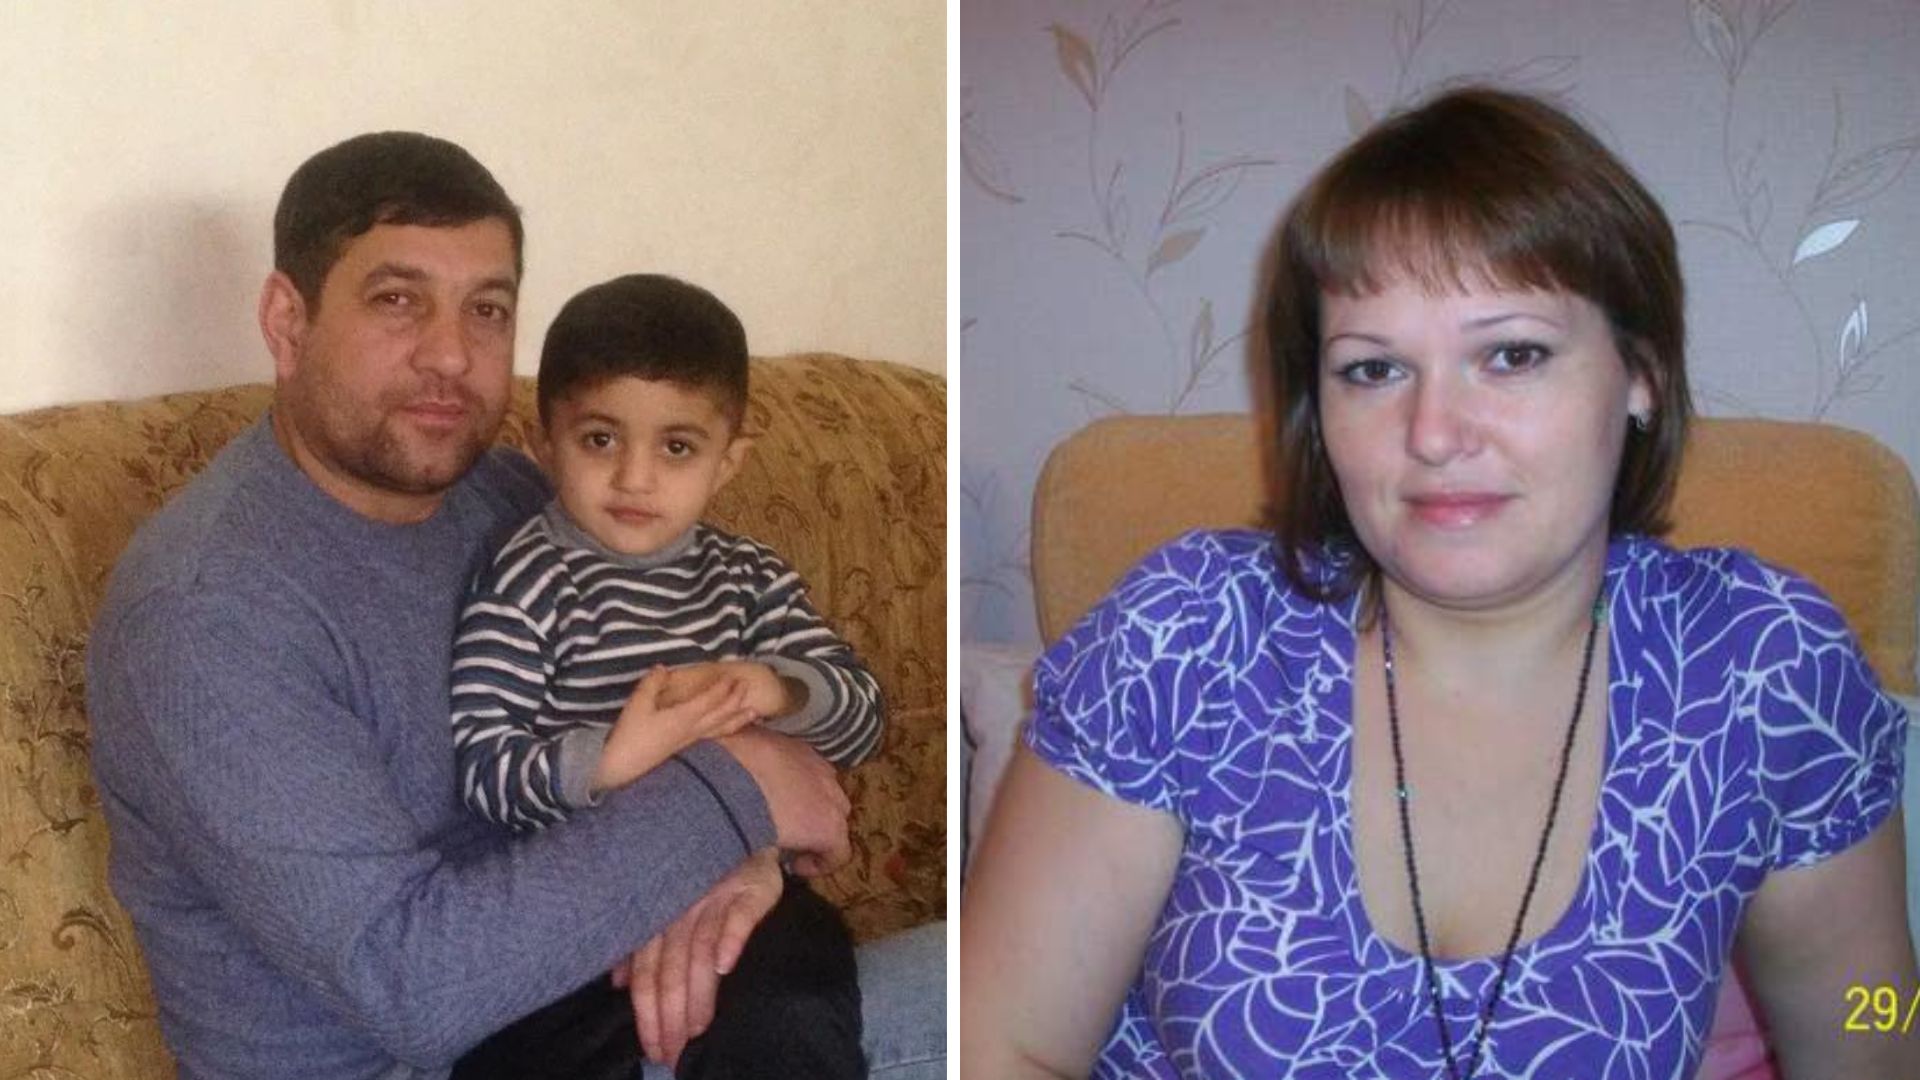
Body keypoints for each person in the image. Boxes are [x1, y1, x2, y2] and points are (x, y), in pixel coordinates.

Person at [961, 87, 1917, 1079]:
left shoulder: (1767, 666)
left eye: (1512, 354)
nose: (1433, 434)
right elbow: (1003, 1045)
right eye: (1373, 371)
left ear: (1642, 374)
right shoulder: (1185, 637)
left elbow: (1879, 1028)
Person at [85, 131, 943, 1080]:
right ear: (288, 320)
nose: (452, 355)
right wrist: (735, 794)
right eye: (398, 300)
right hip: (438, 1059)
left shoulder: (509, 498)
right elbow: (412, 984)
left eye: (487, 309)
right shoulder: (207, 614)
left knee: (995, 980)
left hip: (609, 1001)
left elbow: (733, 735)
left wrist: (729, 860)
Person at [447, 273, 878, 1078]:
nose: (635, 478)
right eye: (599, 440)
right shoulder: (523, 583)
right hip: (578, 915)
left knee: (797, 1002)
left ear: (729, 460)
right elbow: (485, 768)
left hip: (747, 899)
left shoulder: (750, 579)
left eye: (676, 447)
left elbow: (862, 715)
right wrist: (613, 759)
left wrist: (776, 686)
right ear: (544, 445)